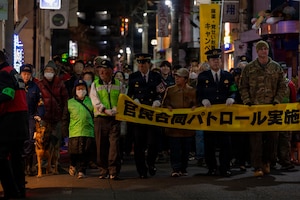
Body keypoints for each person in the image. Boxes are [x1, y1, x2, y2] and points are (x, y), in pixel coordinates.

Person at [239, 40, 287, 177]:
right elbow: (243, 86)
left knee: (272, 139)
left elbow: (282, 86)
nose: (263, 51)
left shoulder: (276, 67)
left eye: (265, 49)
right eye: (261, 49)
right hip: (255, 110)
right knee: (256, 141)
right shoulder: (249, 68)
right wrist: (247, 100)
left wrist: (277, 100)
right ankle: (257, 166)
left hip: (271, 109)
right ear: (257, 51)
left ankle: (268, 162)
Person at [197, 48, 236, 177]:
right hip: (210, 115)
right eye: (213, 60)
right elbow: (198, 94)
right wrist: (203, 100)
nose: (216, 62)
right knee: (210, 143)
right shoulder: (203, 77)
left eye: (218, 59)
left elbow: (234, 90)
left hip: (224, 114)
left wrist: (232, 97)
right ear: (209, 62)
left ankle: (225, 167)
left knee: (226, 143)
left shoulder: (228, 76)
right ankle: (212, 167)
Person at [127, 53, 164, 179]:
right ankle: (141, 170)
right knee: (139, 144)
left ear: (149, 64)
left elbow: (162, 92)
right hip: (139, 115)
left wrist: (158, 100)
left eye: (144, 63)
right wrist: (134, 100)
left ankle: (151, 163)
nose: (141, 66)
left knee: (153, 142)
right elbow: (129, 94)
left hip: (152, 114)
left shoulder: (156, 76)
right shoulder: (133, 77)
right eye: (140, 63)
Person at [0, 50, 28, 198]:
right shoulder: (13, 72)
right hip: (20, 120)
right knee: (17, 158)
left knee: (2, 158)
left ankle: (11, 192)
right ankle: (19, 191)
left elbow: (8, 93)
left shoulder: (3, 73)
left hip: (10, 121)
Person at [90, 60, 124, 180]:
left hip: (114, 119)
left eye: (105, 69)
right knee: (101, 145)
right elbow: (94, 99)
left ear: (111, 71)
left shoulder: (118, 84)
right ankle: (103, 169)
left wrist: (117, 108)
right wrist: (104, 110)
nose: (102, 72)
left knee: (114, 145)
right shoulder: (95, 84)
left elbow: (122, 98)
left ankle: (113, 170)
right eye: (100, 70)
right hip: (101, 119)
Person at [162, 68, 197, 177]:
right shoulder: (170, 90)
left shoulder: (192, 91)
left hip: (187, 126)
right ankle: (175, 168)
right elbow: (164, 103)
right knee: (175, 148)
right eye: (176, 76)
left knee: (186, 148)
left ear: (185, 79)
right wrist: (168, 107)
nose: (176, 78)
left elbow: (196, 104)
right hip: (174, 126)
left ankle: (184, 168)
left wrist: (195, 107)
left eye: (179, 77)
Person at [37, 60, 69, 163]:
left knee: (56, 141)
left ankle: (55, 163)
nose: (48, 72)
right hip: (44, 118)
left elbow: (65, 100)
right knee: (44, 140)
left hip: (57, 117)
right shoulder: (40, 84)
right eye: (47, 70)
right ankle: (44, 163)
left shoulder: (60, 84)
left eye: (50, 70)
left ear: (54, 72)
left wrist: (64, 116)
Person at [62, 79, 95, 179]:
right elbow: (65, 119)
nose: (81, 90)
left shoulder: (91, 101)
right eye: (79, 88)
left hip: (88, 131)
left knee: (85, 152)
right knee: (74, 152)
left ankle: (82, 170)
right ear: (75, 90)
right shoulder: (70, 102)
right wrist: (65, 134)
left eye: (83, 88)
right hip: (74, 132)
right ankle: (73, 164)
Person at [20, 64, 45, 176]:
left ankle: (29, 166)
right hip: (18, 117)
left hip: (30, 117)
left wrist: (39, 115)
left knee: (30, 141)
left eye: (28, 74)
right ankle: (21, 167)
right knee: (19, 142)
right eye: (24, 74)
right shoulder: (16, 86)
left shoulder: (35, 87)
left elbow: (40, 103)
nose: (26, 76)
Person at [276, 61, 296, 170]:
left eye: (283, 71)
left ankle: (285, 161)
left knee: (285, 139)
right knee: (273, 139)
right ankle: (273, 161)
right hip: (273, 115)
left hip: (286, 115)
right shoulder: (273, 84)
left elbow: (293, 101)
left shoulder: (290, 84)